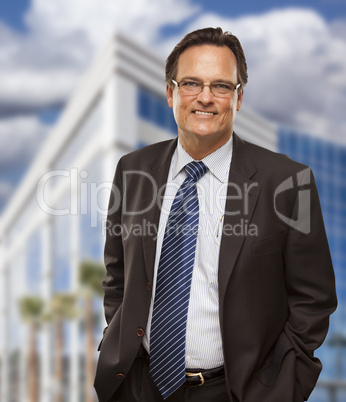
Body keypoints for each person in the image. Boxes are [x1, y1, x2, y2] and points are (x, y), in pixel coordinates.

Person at [94, 27, 337, 402]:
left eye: (221, 86)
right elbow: (117, 274)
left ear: (238, 98)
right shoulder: (132, 169)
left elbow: (314, 299)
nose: (205, 98)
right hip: (139, 386)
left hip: (236, 391)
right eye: (191, 83)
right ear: (170, 92)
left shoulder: (290, 181)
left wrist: (280, 388)